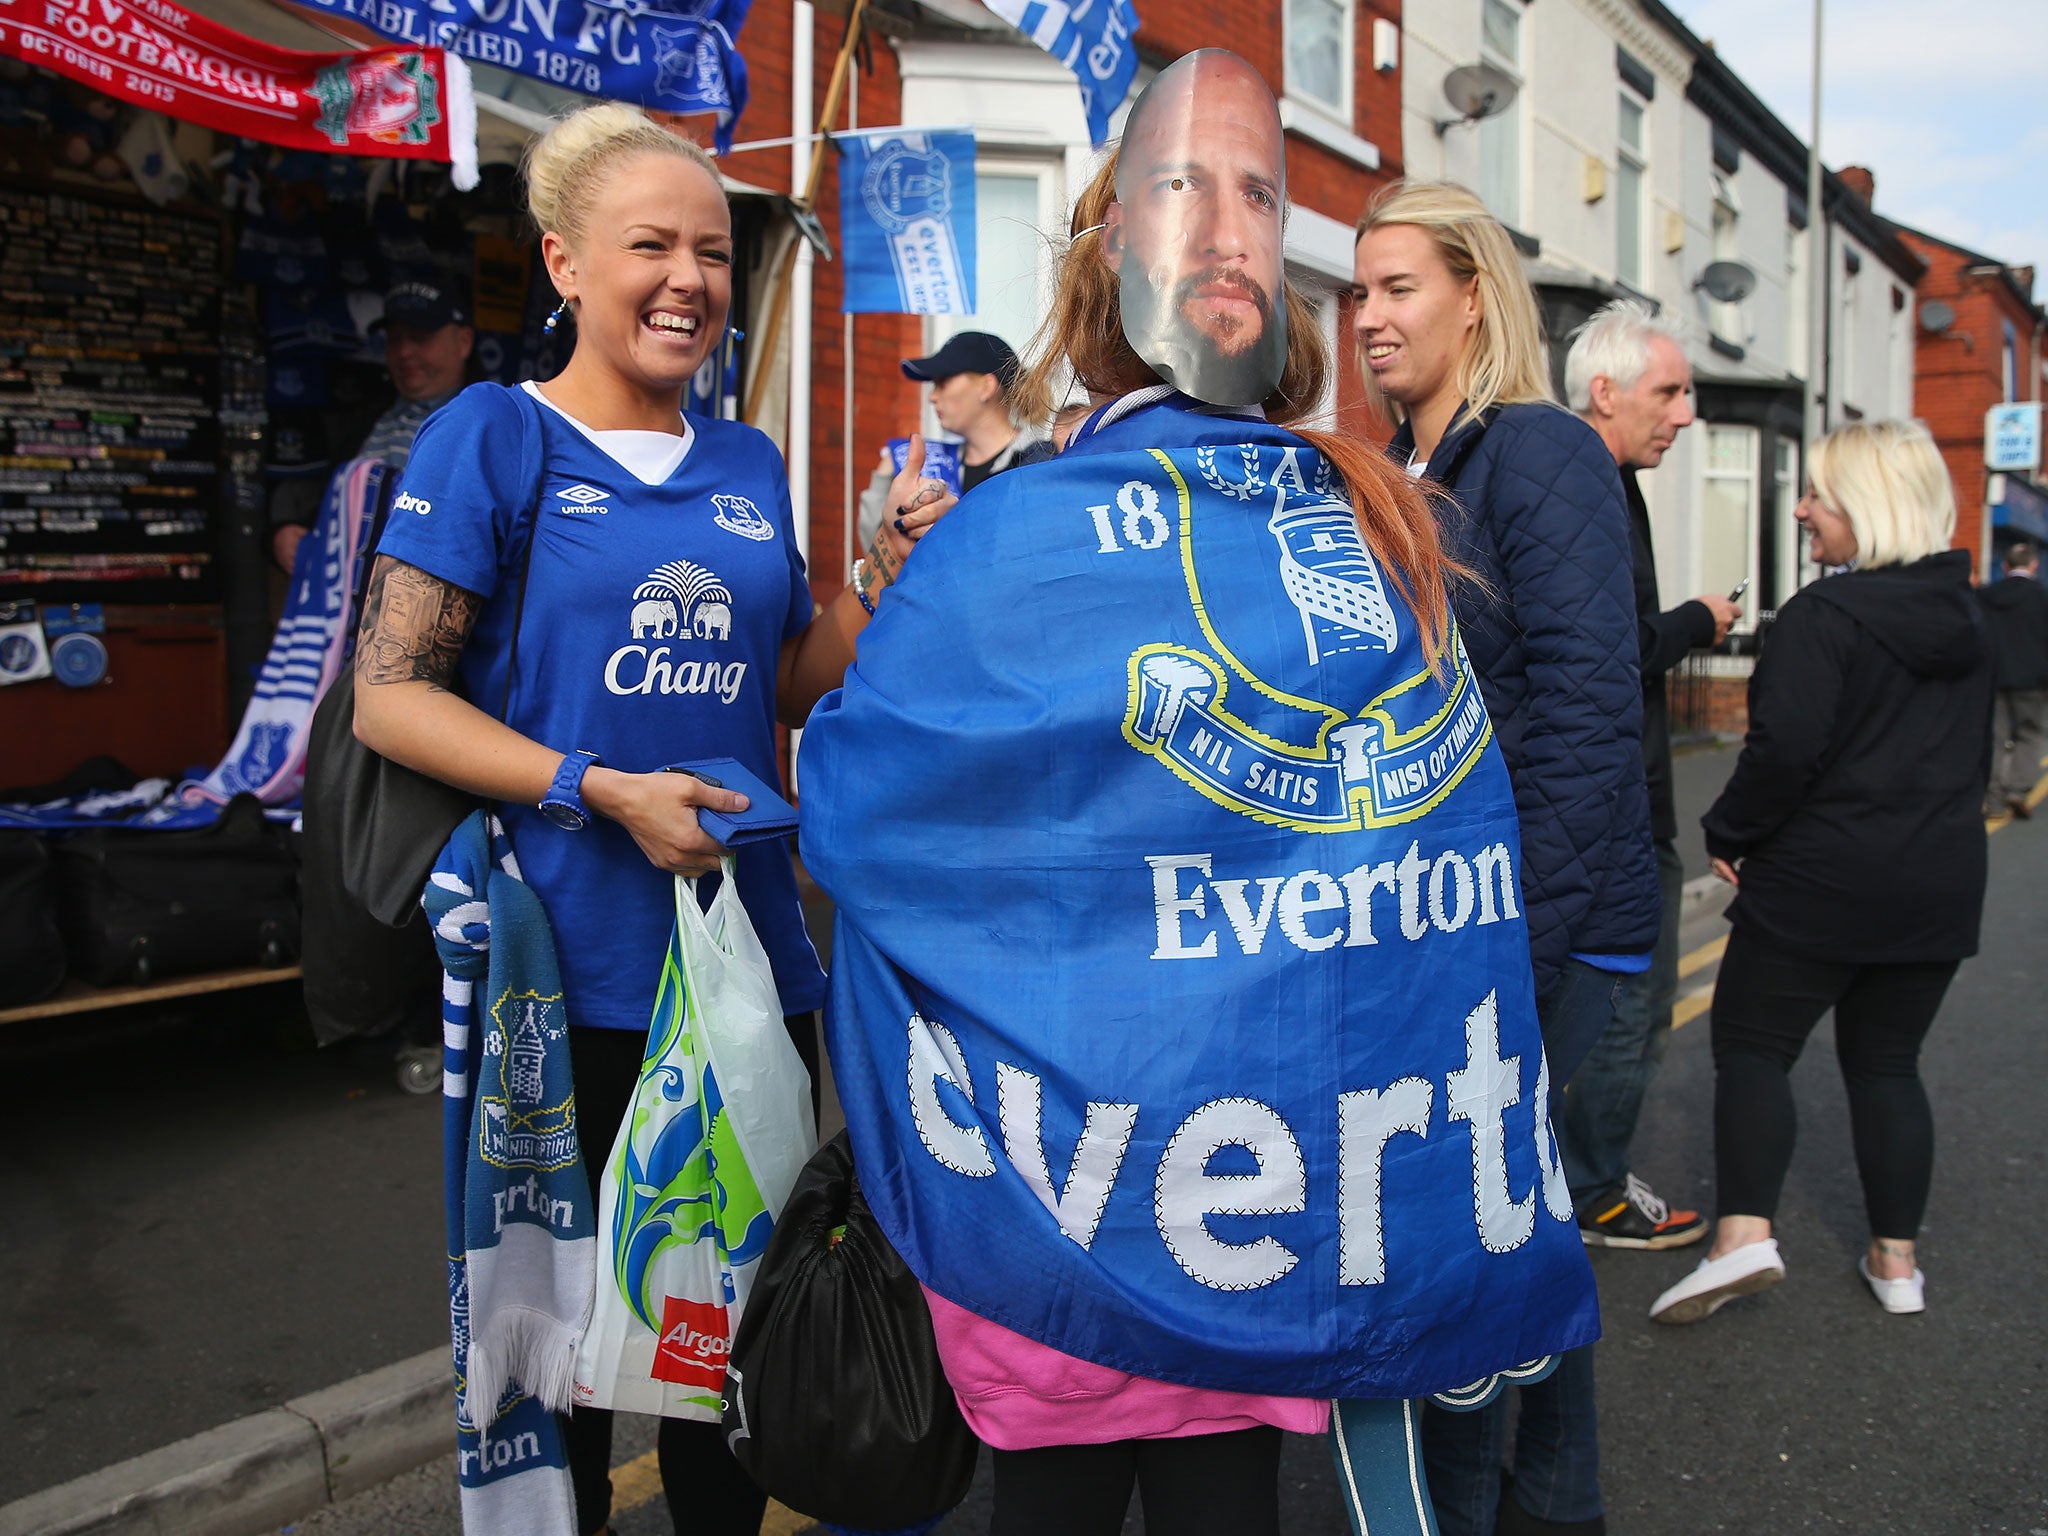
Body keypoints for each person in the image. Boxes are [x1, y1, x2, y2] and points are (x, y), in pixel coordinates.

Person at [803, 55, 1595, 1536]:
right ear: (1114, 240)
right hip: (1190, 1208)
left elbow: (849, 809)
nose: (1232, 230)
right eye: (1186, 186)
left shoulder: (1355, 514)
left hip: (1158, 1196)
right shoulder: (1040, 531)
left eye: (1262, 193)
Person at [351, 103, 952, 1536]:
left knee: (723, 1346)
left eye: (712, 252)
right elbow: (390, 696)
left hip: (747, 972)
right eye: (650, 247)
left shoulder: (744, 462)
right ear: (563, 262)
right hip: (571, 980)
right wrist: (592, 788)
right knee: (573, 1357)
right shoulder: (491, 439)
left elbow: (789, 676)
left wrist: (882, 580)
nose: (691, 277)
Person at [1352, 181, 1658, 1536]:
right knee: (1520, 1270)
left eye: (1398, 287)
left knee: (1486, 1274)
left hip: (1545, 932)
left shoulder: (1537, 452)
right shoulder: (1418, 470)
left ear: (1475, 295)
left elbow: (1594, 721)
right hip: (1468, 929)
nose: (1368, 317)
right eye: (1357, 292)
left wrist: (1508, 964)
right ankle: (1558, 1513)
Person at [1652, 419, 1993, 1326]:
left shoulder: (1822, 617)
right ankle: (1898, 1263)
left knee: (1755, 1048)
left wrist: (1731, 829)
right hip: (1940, 877)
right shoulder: (1969, 618)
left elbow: (1783, 755)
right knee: (1888, 1063)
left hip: (1822, 877)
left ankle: (1743, 1239)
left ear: (1869, 505)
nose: (1801, 508)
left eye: (1818, 494)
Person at [1557, 300, 1736, 1251]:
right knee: (1634, 1003)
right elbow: (1608, 649)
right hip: (1619, 808)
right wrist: (1701, 623)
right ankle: (1592, 1193)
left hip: (1599, 800)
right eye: (1669, 391)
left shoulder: (1593, 479)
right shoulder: (1590, 485)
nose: (1685, 411)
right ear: (1605, 391)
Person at [270, 280, 476, 572]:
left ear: (463, 342)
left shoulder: (492, 421)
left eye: (420, 338)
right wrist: (286, 533)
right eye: (394, 340)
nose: (404, 352)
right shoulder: (364, 415)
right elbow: (319, 501)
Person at [855, 330, 1050, 546]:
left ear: (986, 387)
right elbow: (875, 551)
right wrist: (885, 475)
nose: (932, 396)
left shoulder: (1041, 462)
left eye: (943, 382)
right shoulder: (932, 463)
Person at [1978, 538, 2048, 818]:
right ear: (2034, 564)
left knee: (1994, 739)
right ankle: (2017, 791)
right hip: (2033, 681)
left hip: (1993, 677)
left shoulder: (1986, 596)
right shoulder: (2042, 597)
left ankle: (1992, 801)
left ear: (2005, 566)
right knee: (2029, 734)